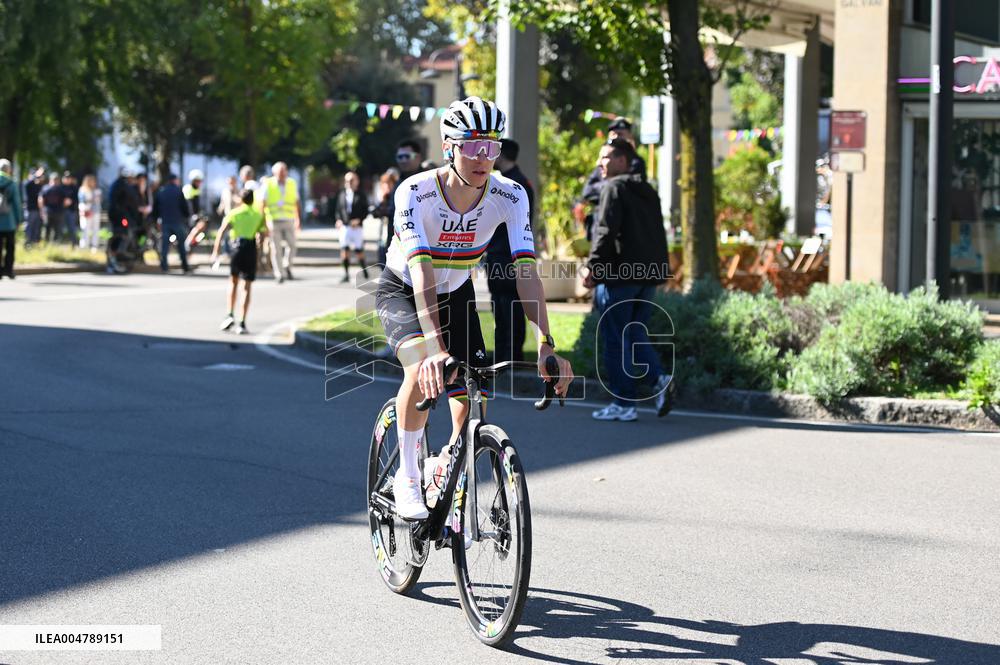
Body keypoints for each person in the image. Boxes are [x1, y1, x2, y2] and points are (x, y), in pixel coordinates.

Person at [376, 96, 574, 520]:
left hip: (458, 290)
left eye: (492, 146)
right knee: (420, 367)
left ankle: (447, 460)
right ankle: (408, 478)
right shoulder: (416, 192)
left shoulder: (511, 194)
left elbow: (526, 271)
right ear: (449, 146)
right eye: (472, 146)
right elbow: (423, 274)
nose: (483, 157)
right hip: (405, 289)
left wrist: (545, 342)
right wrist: (432, 345)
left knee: (474, 388)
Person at [583, 139, 674, 422]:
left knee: (614, 337)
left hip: (619, 276)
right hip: (647, 276)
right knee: (635, 332)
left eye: (607, 158)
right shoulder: (647, 189)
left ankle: (624, 403)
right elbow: (658, 233)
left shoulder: (613, 187)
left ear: (623, 160)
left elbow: (606, 230)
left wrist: (593, 267)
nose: (601, 163)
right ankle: (659, 378)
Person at [484, 138, 535, 362]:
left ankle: (510, 356)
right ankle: (507, 355)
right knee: (503, 307)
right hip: (503, 254)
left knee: (509, 308)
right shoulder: (514, 181)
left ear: (501, 155)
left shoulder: (512, 185)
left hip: (507, 256)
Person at [577, 117, 648, 240]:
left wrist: (608, 186)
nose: (616, 138)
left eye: (620, 134)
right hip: (600, 224)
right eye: (613, 134)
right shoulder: (604, 160)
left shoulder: (635, 162)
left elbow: (627, 190)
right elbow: (587, 192)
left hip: (624, 229)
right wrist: (611, 186)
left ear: (629, 136)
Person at [212, 188, 266, 335]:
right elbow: (262, 234)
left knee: (233, 281)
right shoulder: (258, 214)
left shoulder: (235, 213)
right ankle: (242, 322)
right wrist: (260, 257)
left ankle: (230, 313)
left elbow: (222, 230)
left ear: (241, 200)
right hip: (250, 248)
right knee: (247, 286)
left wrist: (216, 251)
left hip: (237, 247)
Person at [257, 162, 300, 283]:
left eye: (284, 171)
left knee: (292, 245)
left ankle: (287, 265)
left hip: (288, 219)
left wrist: (298, 219)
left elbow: (296, 202)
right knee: (276, 248)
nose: (282, 174)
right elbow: (262, 203)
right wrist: (263, 222)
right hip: (273, 220)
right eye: (280, 172)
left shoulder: (291, 183)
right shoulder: (268, 183)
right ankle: (279, 273)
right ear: (274, 173)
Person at [385, 139, 423, 263]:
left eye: (407, 156)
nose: (403, 160)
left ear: (418, 157)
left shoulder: (428, 181)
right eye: (399, 157)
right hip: (398, 248)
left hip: (422, 249)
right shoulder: (398, 182)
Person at [151, 173, 191, 273]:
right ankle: (184, 266)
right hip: (177, 221)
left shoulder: (161, 192)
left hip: (165, 222)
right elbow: (185, 208)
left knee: (165, 245)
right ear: (175, 180)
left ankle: (164, 266)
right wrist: (186, 218)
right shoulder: (178, 191)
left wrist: (155, 220)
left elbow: (155, 209)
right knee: (181, 245)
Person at [334, 171, 370, 282]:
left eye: (351, 180)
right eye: (347, 180)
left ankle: (365, 272)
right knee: (345, 249)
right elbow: (338, 209)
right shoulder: (342, 194)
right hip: (345, 226)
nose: (349, 182)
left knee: (359, 250)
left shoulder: (361, 194)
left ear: (356, 181)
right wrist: (338, 220)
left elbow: (366, 210)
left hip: (357, 227)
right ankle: (346, 274)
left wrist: (359, 220)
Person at [106, 167, 142, 273]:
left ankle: (114, 259)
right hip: (122, 216)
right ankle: (120, 255)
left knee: (118, 236)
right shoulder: (125, 186)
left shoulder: (117, 184)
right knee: (125, 235)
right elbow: (132, 202)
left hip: (116, 215)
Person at [0, 159, 22, 279]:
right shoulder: (11, 183)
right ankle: (8, 270)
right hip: (9, 221)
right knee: (10, 247)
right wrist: (19, 219)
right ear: (8, 169)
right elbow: (17, 204)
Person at [374, 169, 399, 266]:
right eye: (384, 184)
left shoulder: (396, 196)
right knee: (381, 253)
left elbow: (393, 211)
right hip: (383, 232)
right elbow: (377, 213)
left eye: (389, 184)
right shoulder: (384, 197)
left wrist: (384, 211)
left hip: (392, 232)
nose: (387, 186)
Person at [183, 169, 207, 252]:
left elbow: (197, 204)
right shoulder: (188, 188)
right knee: (200, 226)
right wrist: (193, 215)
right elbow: (189, 204)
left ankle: (191, 244)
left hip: (194, 215)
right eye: (197, 181)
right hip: (187, 215)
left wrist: (200, 214)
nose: (199, 183)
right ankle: (187, 242)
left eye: (200, 181)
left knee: (203, 227)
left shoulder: (197, 189)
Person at [78, 174, 102, 252]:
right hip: (87, 211)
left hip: (96, 211)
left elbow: (99, 200)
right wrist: (91, 200)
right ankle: (85, 245)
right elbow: (82, 201)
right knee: (85, 228)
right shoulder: (83, 189)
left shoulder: (97, 190)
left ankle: (94, 245)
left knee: (96, 229)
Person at [23, 167, 45, 246]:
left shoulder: (38, 185)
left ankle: (34, 243)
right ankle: (28, 243)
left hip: (37, 210)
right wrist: (36, 175)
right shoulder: (27, 184)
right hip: (30, 209)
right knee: (29, 227)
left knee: (36, 228)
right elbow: (28, 183)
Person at [61, 172, 79, 246]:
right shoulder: (60, 187)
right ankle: (60, 242)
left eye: (69, 178)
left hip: (71, 210)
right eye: (66, 178)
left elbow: (77, 199)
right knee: (60, 227)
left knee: (72, 227)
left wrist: (71, 201)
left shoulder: (74, 188)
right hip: (61, 211)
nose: (67, 179)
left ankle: (74, 243)